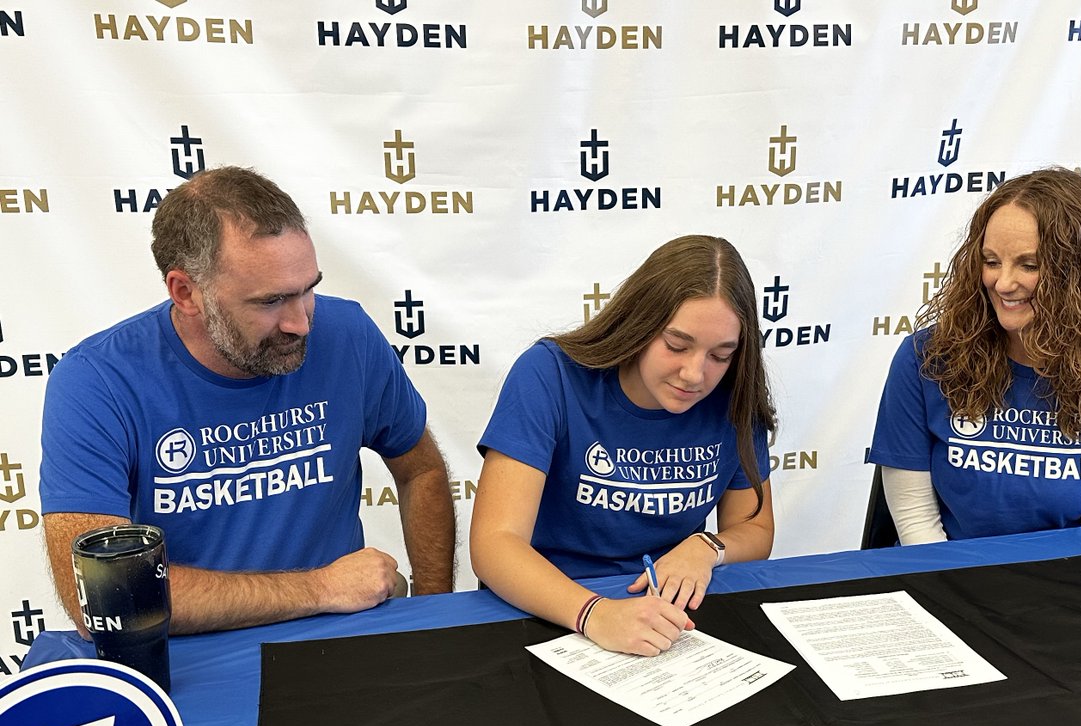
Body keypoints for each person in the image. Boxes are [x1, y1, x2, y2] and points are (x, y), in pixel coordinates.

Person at [40, 166, 456, 635]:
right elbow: (105, 597)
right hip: (188, 653)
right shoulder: (97, 381)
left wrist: (435, 616)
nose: (301, 323)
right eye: (270, 301)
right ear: (186, 293)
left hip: (340, 642)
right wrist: (320, 589)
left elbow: (421, 469)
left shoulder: (349, 335)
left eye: (309, 289)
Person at [470, 235, 776, 656]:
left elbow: (755, 530)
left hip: (668, 613)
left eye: (720, 356)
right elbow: (495, 543)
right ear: (639, 324)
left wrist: (707, 548)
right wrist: (595, 613)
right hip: (547, 607)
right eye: (676, 345)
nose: (694, 374)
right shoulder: (549, 375)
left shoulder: (735, 395)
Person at [869, 167, 1081, 544]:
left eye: (1029, 265)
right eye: (991, 261)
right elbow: (914, 519)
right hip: (942, 567)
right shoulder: (925, 358)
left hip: (1067, 572)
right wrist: (953, 578)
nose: (1003, 283)